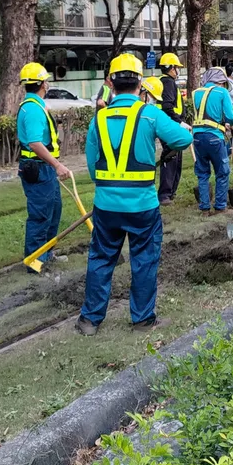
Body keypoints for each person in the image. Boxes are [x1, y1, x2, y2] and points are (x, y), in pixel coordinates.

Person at [76, 53, 192, 335]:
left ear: (111, 84)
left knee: (101, 258)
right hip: (142, 205)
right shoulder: (150, 114)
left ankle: (90, 320)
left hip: (106, 205)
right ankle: (142, 319)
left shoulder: (99, 119)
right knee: (144, 259)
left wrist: (109, 186)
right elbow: (184, 139)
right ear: (140, 83)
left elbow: (92, 165)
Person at [17, 63, 71, 272]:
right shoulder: (32, 109)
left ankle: (47, 253)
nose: (47, 84)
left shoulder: (35, 105)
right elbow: (34, 143)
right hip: (38, 169)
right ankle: (35, 262)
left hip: (44, 169)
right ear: (42, 84)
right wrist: (57, 165)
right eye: (46, 81)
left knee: (54, 211)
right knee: (41, 215)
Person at [192, 66, 233, 214]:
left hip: (197, 137)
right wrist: (229, 123)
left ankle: (204, 208)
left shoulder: (196, 92)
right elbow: (230, 116)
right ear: (221, 81)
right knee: (222, 172)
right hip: (214, 136)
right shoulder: (222, 92)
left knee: (203, 173)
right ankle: (220, 206)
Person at [157, 52, 185, 205]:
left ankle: (170, 192)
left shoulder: (163, 82)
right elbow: (167, 107)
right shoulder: (168, 83)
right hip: (170, 126)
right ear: (171, 68)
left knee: (175, 157)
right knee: (170, 157)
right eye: (176, 68)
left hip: (170, 125)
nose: (177, 71)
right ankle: (165, 195)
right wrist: (179, 122)